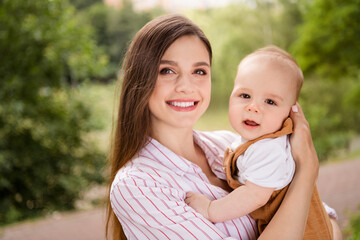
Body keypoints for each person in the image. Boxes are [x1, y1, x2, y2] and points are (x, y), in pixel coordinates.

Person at [105, 14, 341, 240]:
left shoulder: (231, 143)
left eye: (199, 71)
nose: (186, 86)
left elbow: (325, 220)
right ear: (140, 78)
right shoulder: (137, 185)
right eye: (167, 70)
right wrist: (307, 171)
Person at [185, 46, 336, 239]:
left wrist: (210, 209)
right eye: (245, 96)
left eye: (270, 102)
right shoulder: (246, 142)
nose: (253, 107)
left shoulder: (269, 149)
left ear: (290, 112)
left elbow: (254, 195)